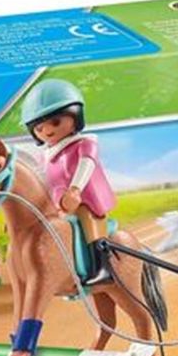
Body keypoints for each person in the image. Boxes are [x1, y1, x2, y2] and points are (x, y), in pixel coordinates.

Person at [21, 79, 116, 286]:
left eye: (55, 122)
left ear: (75, 116)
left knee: (87, 217)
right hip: (57, 202)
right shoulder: (45, 156)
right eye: (39, 128)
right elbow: (40, 179)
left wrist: (75, 189)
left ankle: (103, 266)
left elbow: (86, 164)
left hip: (85, 198)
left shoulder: (84, 144)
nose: (47, 131)